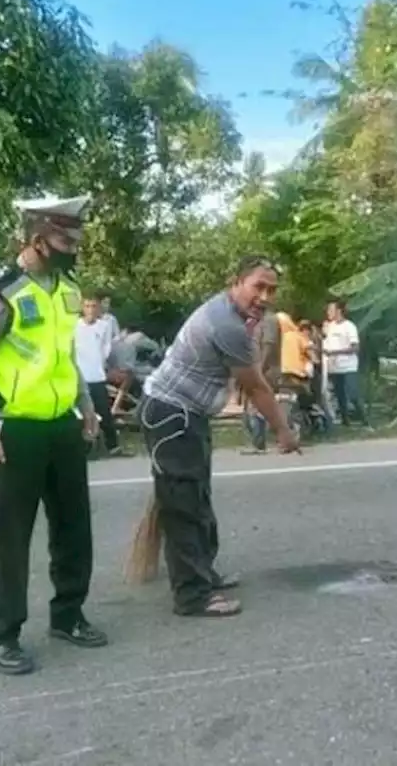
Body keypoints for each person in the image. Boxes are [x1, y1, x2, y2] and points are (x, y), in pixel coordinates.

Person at [0, 195, 105, 676]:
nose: (73, 249)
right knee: (12, 537)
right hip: (15, 427)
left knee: (73, 527)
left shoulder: (68, 289)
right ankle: (1, 634)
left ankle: (69, 615)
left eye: (76, 240)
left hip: (61, 423)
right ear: (37, 237)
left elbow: (66, 357)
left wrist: (85, 408)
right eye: (65, 240)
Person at [139, 255, 300, 618]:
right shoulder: (226, 324)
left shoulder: (231, 314)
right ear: (237, 282)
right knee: (183, 507)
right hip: (172, 415)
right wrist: (283, 432)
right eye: (258, 286)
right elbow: (256, 387)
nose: (265, 296)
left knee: (197, 499)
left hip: (184, 415)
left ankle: (203, 574)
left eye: (271, 290)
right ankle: (192, 595)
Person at [75, 291, 127, 457]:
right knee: (79, 414)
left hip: (97, 375)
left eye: (94, 306)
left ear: (99, 309)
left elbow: (107, 348)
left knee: (104, 412)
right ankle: (83, 448)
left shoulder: (104, 326)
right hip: (79, 376)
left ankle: (113, 446)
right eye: (87, 306)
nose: (90, 309)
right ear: (82, 308)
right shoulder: (74, 326)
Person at [241, 309, 281, 454]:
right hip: (253, 368)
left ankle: (259, 443)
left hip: (266, 371)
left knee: (256, 406)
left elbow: (269, 346)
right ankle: (257, 442)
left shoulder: (269, 320)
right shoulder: (252, 321)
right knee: (251, 407)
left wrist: (259, 369)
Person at [323, 299, 366, 426]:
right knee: (339, 395)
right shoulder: (329, 326)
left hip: (348, 366)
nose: (328, 313)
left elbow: (355, 348)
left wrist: (335, 352)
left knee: (352, 394)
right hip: (333, 367)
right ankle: (345, 421)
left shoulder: (349, 326)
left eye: (331, 310)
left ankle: (364, 420)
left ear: (339, 311)